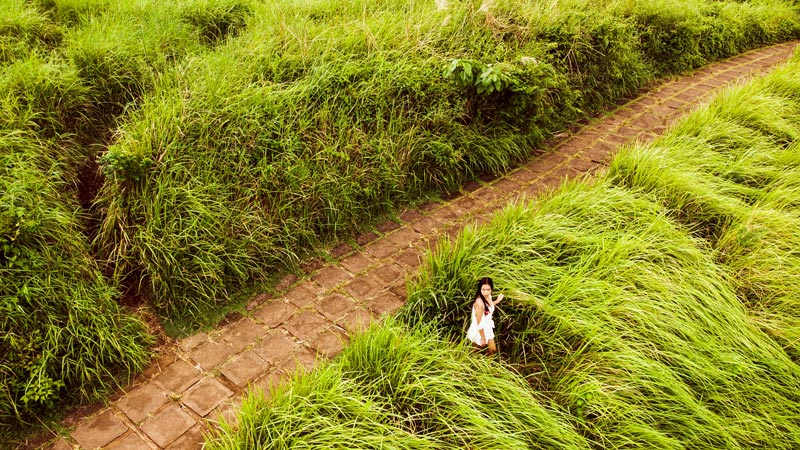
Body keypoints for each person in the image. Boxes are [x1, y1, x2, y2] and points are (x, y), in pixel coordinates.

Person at [467, 277, 504, 354]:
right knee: (475, 352)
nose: (486, 292)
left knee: (493, 350)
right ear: (480, 289)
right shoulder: (479, 303)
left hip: (487, 327)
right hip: (479, 330)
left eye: (488, 290)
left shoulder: (488, 297)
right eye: (483, 290)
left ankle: (490, 364)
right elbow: (479, 323)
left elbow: (488, 307)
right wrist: (483, 338)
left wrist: (497, 301)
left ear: (491, 289)